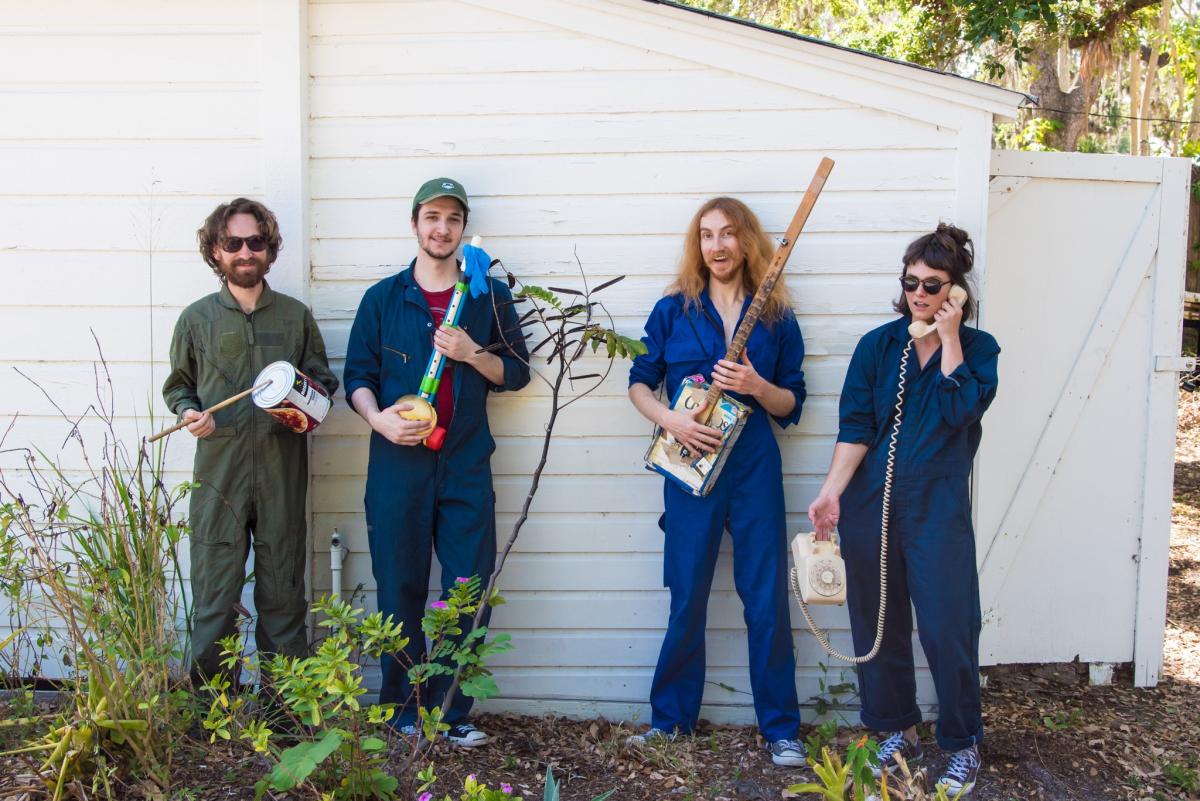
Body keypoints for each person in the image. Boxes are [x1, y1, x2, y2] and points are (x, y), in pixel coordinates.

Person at [807, 223, 999, 797]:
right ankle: (897, 729)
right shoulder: (878, 347)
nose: (919, 293)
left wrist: (950, 339)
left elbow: (960, 412)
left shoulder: (980, 351)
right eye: (911, 282)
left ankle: (961, 742)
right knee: (878, 621)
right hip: (873, 502)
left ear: (955, 290)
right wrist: (831, 491)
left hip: (938, 505)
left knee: (947, 625)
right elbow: (856, 427)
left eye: (933, 285)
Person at [343, 177, 530, 748]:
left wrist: (472, 353)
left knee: (465, 587)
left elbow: (516, 372)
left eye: (452, 219)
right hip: (397, 465)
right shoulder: (383, 298)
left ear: (464, 228)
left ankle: (450, 711)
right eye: (432, 217)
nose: (442, 228)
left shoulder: (488, 296)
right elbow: (357, 378)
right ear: (415, 224)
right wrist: (378, 420)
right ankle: (401, 708)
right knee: (398, 583)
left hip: (465, 463)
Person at [626, 197, 808, 767]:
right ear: (697, 245)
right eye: (707, 235)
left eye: (728, 233)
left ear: (746, 242)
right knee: (687, 596)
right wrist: (672, 420)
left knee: (766, 599)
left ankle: (781, 730)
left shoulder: (775, 316)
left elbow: (792, 402)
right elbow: (639, 383)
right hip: (690, 463)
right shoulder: (673, 310)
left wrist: (756, 385)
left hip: (754, 465)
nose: (717, 245)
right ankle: (671, 722)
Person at [163, 198, 338, 685]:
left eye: (255, 242)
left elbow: (323, 384)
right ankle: (210, 712)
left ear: (269, 249)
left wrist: (305, 400)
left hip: (282, 473)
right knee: (214, 598)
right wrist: (188, 413)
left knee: (283, 596)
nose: (245, 252)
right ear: (215, 251)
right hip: (219, 477)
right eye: (233, 242)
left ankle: (284, 714)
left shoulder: (295, 317)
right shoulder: (196, 320)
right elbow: (179, 386)